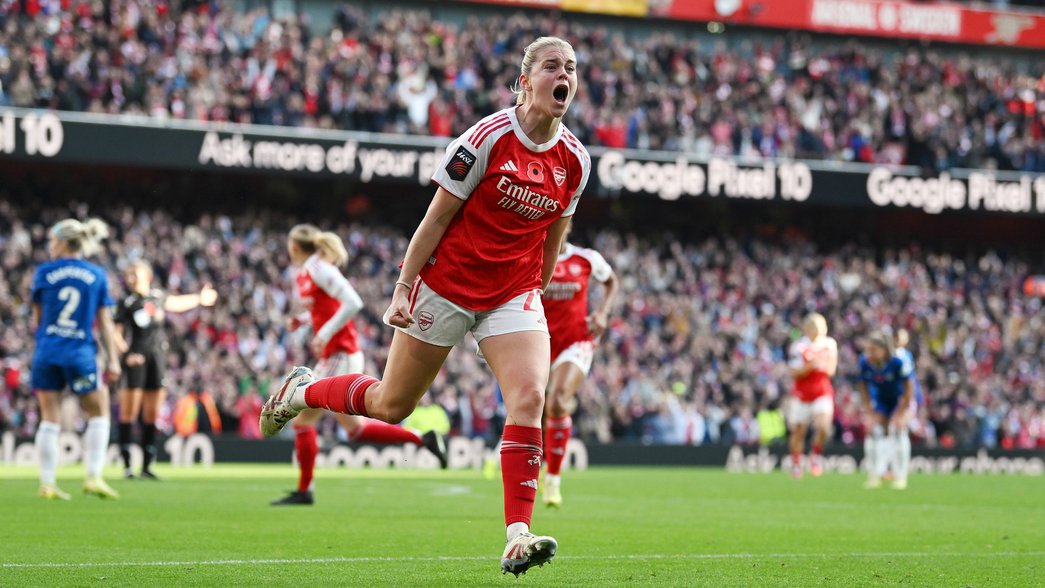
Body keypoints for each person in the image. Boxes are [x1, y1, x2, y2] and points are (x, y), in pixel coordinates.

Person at [260, 36, 589, 575]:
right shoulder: (484, 139)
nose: (565, 75)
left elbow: (556, 235)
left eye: (571, 68)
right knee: (392, 405)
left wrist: (538, 289)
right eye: (553, 65)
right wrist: (403, 286)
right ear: (526, 80)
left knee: (530, 396)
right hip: (449, 286)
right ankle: (302, 390)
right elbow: (435, 219)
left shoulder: (575, 160)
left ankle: (517, 535)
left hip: (513, 293)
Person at [270, 224, 447, 506]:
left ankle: (305, 490)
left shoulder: (318, 269)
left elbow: (353, 302)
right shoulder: (307, 272)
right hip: (333, 354)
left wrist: (325, 333)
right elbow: (325, 308)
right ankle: (422, 439)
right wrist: (304, 322)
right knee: (357, 431)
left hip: (341, 352)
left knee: (302, 420)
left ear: (293, 247)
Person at [31, 218, 121, 500]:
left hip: (47, 350)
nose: (49, 246)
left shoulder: (44, 273)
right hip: (79, 352)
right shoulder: (96, 275)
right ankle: (93, 476)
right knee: (99, 409)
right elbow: (105, 323)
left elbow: (37, 318)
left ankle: (47, 483)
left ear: (64, 242)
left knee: (49, 418)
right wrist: (113, 359)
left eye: (52, 241)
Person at [114, 260, 217, 480]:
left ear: (147, 275)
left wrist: (200, 298)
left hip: (157, 359)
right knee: (129, 413)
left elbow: (177, 303)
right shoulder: (126, 301)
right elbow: (116, 332)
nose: (131, 276)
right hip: (137, 359)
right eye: (129, 273)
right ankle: (126, 465)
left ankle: (147, 465)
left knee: (151, 414)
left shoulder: (157, 297)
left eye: (135, 272)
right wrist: (125, 354)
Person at [540, 222, 617, 507]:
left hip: (575, 342)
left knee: (558, 400)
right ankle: (530, 467)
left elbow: (611, 281)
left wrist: (602, 313)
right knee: (529, 407)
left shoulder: (586, 259)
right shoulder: (533, 255)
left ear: (569, 224)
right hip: (538, 341)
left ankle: (553, 481)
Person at [858, 330, 915, 490]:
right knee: (873, 431)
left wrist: (899, 414)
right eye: (867, 349)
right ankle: (874, 475)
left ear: (884, 349)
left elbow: (909, 390)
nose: (869, 353)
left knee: (898, 430)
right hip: (882, 401)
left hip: (902, 399)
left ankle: (901, 477)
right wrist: (869, 412)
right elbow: (863, 387)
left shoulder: (899, 361)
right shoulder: (864, 362)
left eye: (873, 350)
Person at [786, 312, 838, 478]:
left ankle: (815, 455)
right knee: (799, 431)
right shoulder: (799, 346)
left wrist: (822, 365)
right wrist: (809, 367)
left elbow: (831, 370)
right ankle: (796, 463)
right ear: (807, 328)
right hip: (802, 394)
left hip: (822, 391)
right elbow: (794, 372)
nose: (819, 330)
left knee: (824, 427)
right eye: (815, 326)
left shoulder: (829, 344)